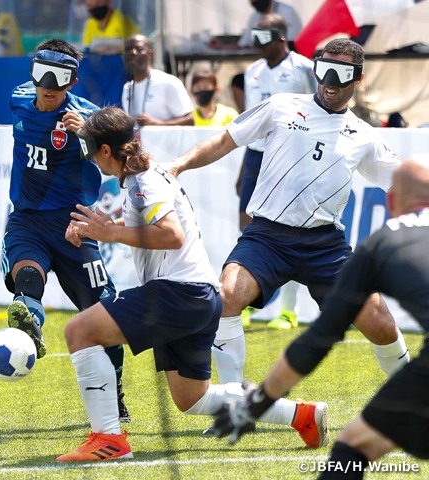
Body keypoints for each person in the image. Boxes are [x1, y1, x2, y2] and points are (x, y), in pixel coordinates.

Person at [56, 106, 328, 462]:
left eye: (91, 149)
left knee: (80, 331)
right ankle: (301, 414)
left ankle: (109, 439)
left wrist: (110, 232)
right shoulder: (146, 174)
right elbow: (152, 221)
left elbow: (171, 235)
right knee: (192, 399)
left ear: (106, 151)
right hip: (199, 296)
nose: (91, 157)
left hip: (178, 294)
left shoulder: (144, 180)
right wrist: (104, 226)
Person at [165, 38, 409, 386]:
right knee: (226, 297)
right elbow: (224, 139)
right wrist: (177, 165)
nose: (331, 82)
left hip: (325, 246)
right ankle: (235, 399)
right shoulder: (280, 106)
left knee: (383, 327)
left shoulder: (365, 136)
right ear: (314, 68)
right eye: (325, 70)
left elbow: (404, 186)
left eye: (342, 75)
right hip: (267, 237)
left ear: (358, 79)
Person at [209, 155, 429, 479]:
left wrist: (257, 402)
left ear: (391, 200)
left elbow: (317, 341)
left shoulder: (379, 246)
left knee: (352, 448)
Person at [2, 38, 130, 422]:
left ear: (73, 82)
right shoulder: (19, 98)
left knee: (103, 312)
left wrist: (88, 137)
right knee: (27, 278)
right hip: (26, 219)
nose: (50, 86)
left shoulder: (89, 118)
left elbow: (124, 152)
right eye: (43, 74)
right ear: (33, 73)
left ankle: (116, 395)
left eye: (60, 78)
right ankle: (30, 325)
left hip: (75, 222)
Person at [235, 14, 318, 331]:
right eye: (254, 36)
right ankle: (245, 303)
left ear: (281, 38)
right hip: (256, 158)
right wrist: (243, 167)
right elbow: (250, 124)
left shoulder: (302, 67)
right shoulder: (252, 71)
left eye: (262, 37)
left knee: (290, 232)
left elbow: (319, 111)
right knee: (248, 231)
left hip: (291, 159)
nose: (256, 43)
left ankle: (288, 311)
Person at [121, 34, 194, 129]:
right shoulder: (127, 88)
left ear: (150, 54)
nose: (133, 52)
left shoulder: (167, 82)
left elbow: (191, 120)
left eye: (139, 48)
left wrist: (157, 123)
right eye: (128, 49)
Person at [208, 0, 302, 51]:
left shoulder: (287, 11)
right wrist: (221, 47)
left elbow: (292, 41)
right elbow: (244, 44)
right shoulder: (255, 16)